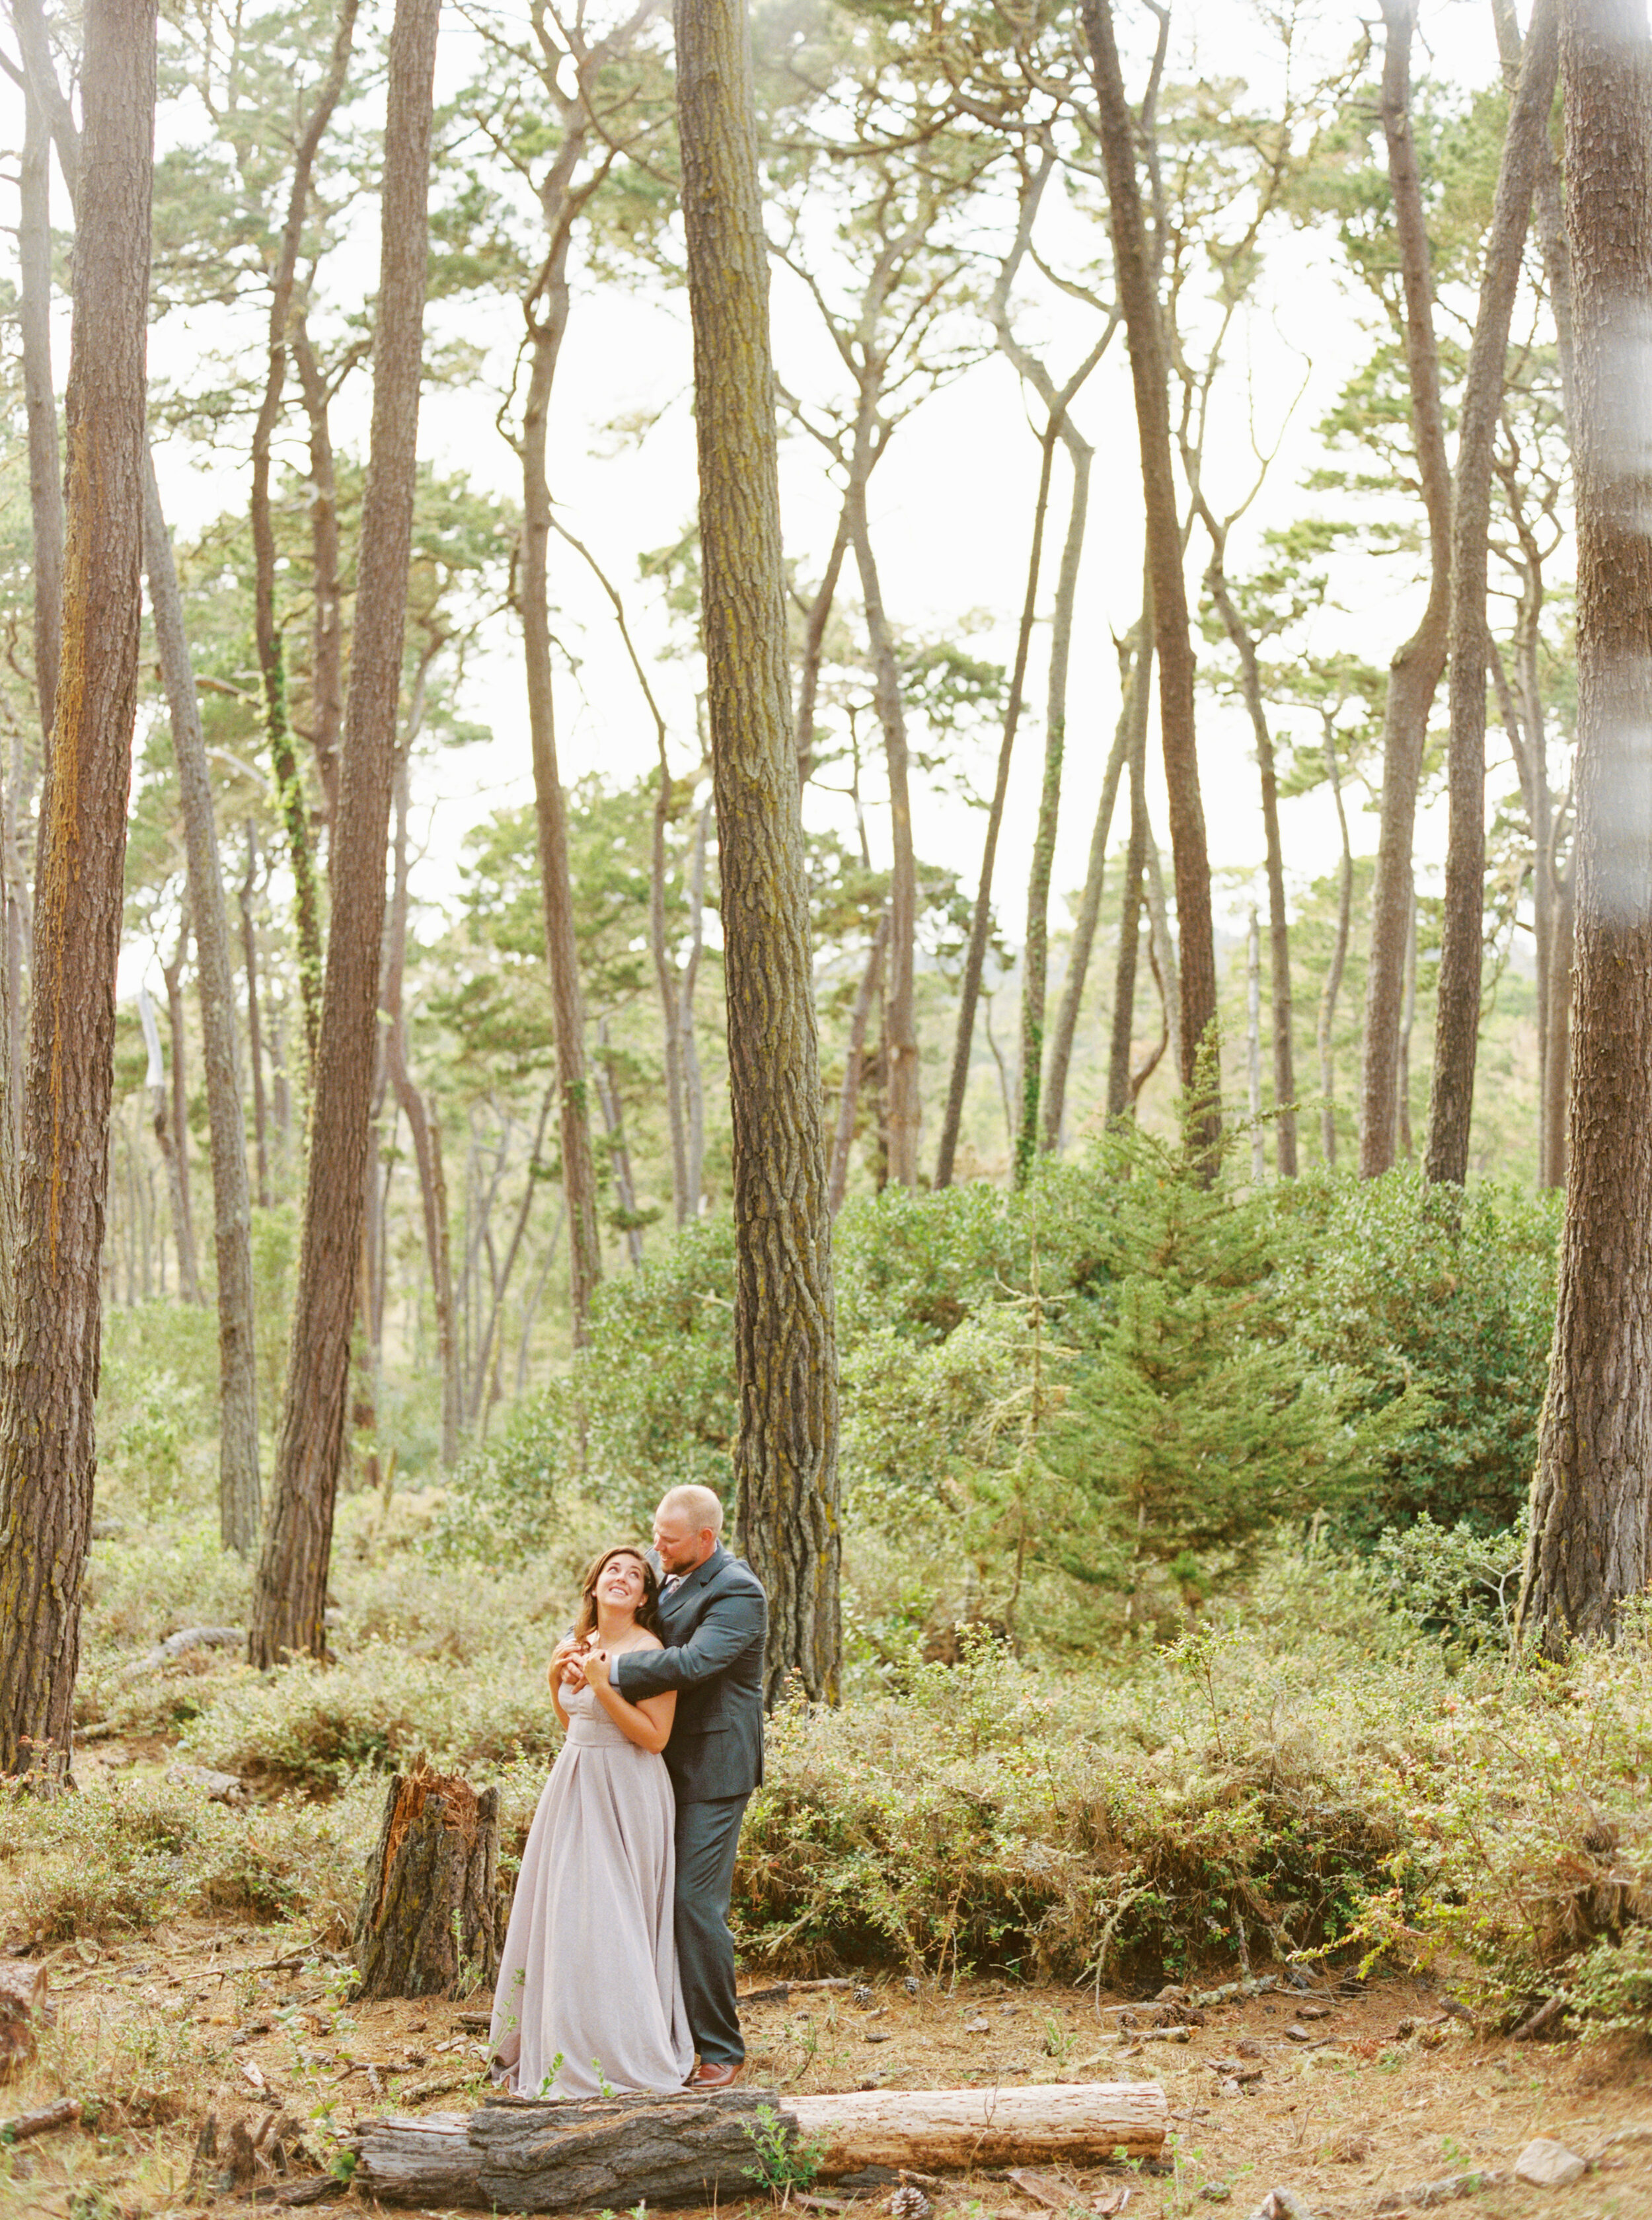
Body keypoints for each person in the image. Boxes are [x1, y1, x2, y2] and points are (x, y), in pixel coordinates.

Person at [489, 1544, 694, 2100]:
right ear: (595, 1585)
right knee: (568, 1914)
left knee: (611, 1917)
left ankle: (618, 2049)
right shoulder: (583, 1643)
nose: (622, 1578)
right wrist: (552, 1676)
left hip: (626, 1791)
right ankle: (562, 2038)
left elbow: (655, 1738)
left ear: (646, 1596)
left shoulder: (651, 1651)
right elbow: (571, 1721)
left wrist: (605, 1685)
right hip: (574, 1784)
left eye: (635, 1574)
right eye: (613, 1570)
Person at [579, 1484, 766, 2089]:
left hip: (713, 1771)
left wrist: (612, 1672)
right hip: (654, 1766)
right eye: (656, 1531)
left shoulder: (738, 1591)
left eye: (669, 1537)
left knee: (693, 1903)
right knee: (650, 1901)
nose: (655, 1544)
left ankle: (722, 2050)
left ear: (706, 1539)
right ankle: (661, 2034)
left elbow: (690, 1664)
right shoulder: (676, 1578)